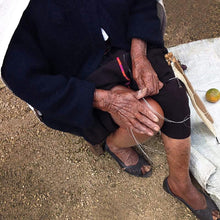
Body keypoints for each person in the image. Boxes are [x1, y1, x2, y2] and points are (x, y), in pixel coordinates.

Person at [1, 0, 219, 219]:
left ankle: (180, 184)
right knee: (150, 115)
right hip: (78, 78)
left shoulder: (136, 52)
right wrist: (107, 100)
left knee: (173, 97)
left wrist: (139, 56)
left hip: (128, 45)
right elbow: (27, 80)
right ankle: (114, 144)